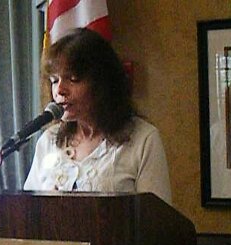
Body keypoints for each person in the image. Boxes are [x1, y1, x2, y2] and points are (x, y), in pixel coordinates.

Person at [23, 28, 171, 204]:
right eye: (55, 80)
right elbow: (28, 214)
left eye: (72, 78)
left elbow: (158, 223)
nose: (59, 90)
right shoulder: (49, 141)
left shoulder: (143, 139)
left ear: (101, 83)